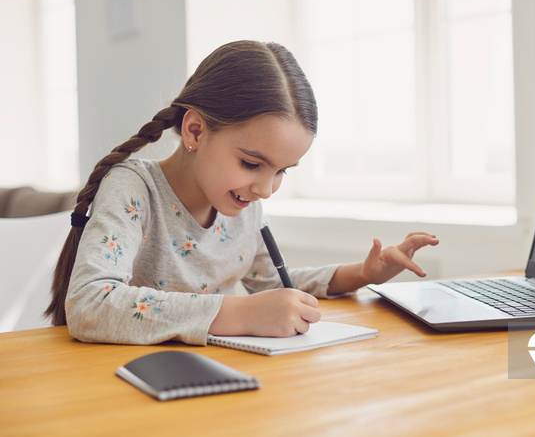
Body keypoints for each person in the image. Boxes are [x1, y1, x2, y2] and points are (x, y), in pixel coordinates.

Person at [45, 40, 439, 345]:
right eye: (252, 164)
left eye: (281, 171)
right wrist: (238, 314)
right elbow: (89, 304)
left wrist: (361, 274)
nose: (266, 189)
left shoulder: (241, 201)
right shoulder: (132, 189)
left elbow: (270, 287)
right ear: (195, 131)